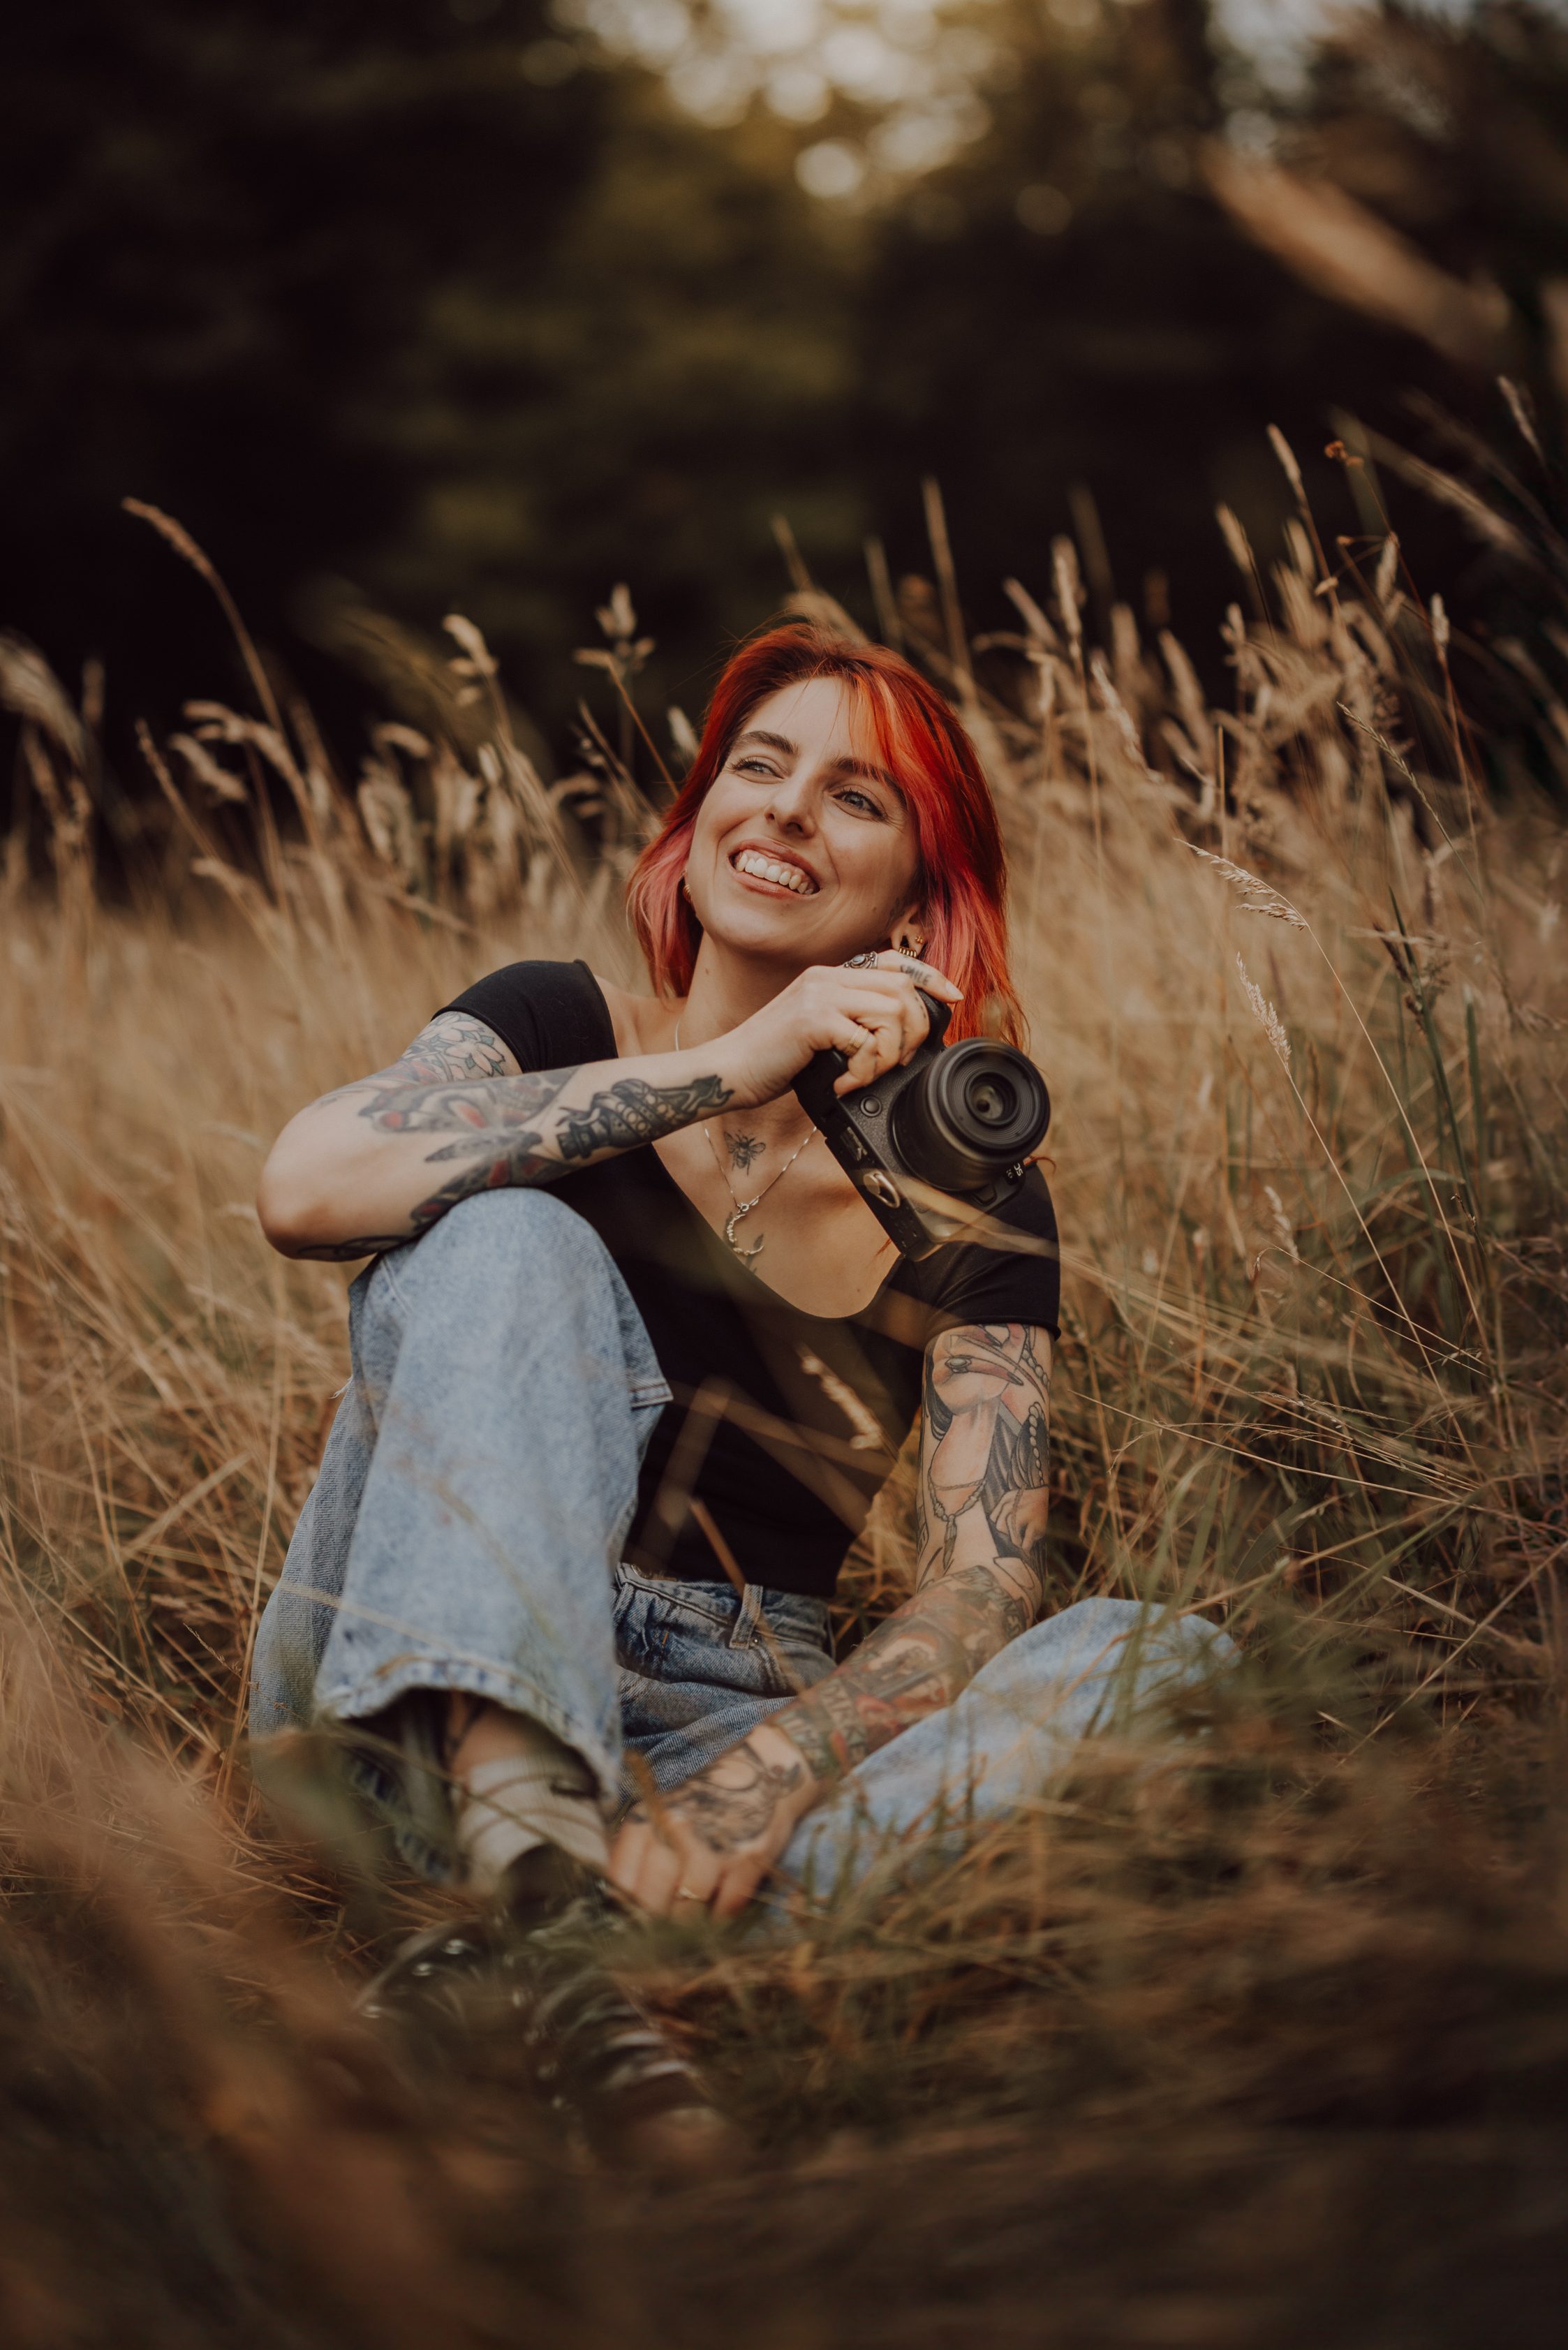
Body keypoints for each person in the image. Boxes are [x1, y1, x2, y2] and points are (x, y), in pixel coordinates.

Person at [251, 623, 1232, 2150]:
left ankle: (545, 1947)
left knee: (1155, 1657)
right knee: (510, 1233)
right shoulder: (547, 1023)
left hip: (724, 1717)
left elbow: (986, 1582)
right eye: (755, 768)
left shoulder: (964, 1197)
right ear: (695, 820)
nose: (781, 810)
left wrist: (772, 1771)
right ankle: (557, 1894)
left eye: (855, 796)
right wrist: (741, 1060)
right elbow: (307, 1187)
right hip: (414, 1675)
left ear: (920, 894)